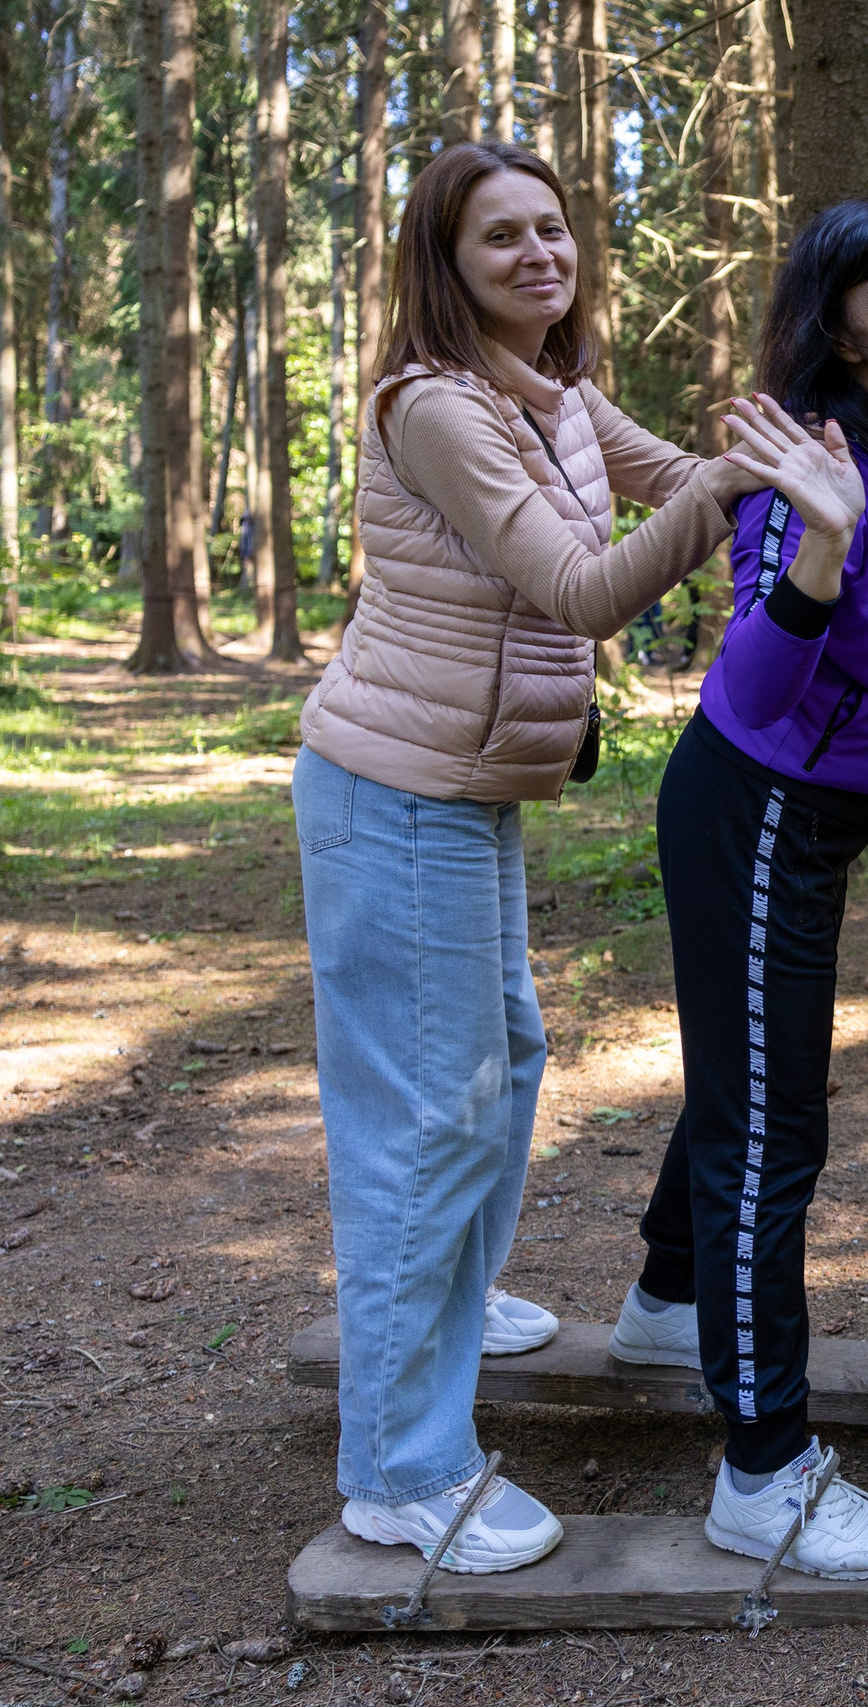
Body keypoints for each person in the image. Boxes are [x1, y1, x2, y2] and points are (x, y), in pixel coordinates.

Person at [297, 141, 758, 1572]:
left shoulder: (545, 392)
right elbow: (580, 589)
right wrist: (726, 496)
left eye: (553, 232)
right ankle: (401, 1468)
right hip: (396, 791)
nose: (539, 257)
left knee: (506, 1051)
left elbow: (680, 472)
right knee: (429, 1120)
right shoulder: (440, 407)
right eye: (502, 239)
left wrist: (770, 479)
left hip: (464, 787)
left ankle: (445, 1297)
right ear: (447, 265)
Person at [606, 196, 868, 1581]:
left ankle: (668, 1298)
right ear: (838, 325)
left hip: (817, 817)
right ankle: (763, 1470)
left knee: (749, 1079)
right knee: (777, 1124)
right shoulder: (808, 461)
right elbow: (754, 690)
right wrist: (821, 545)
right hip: (759, 804)